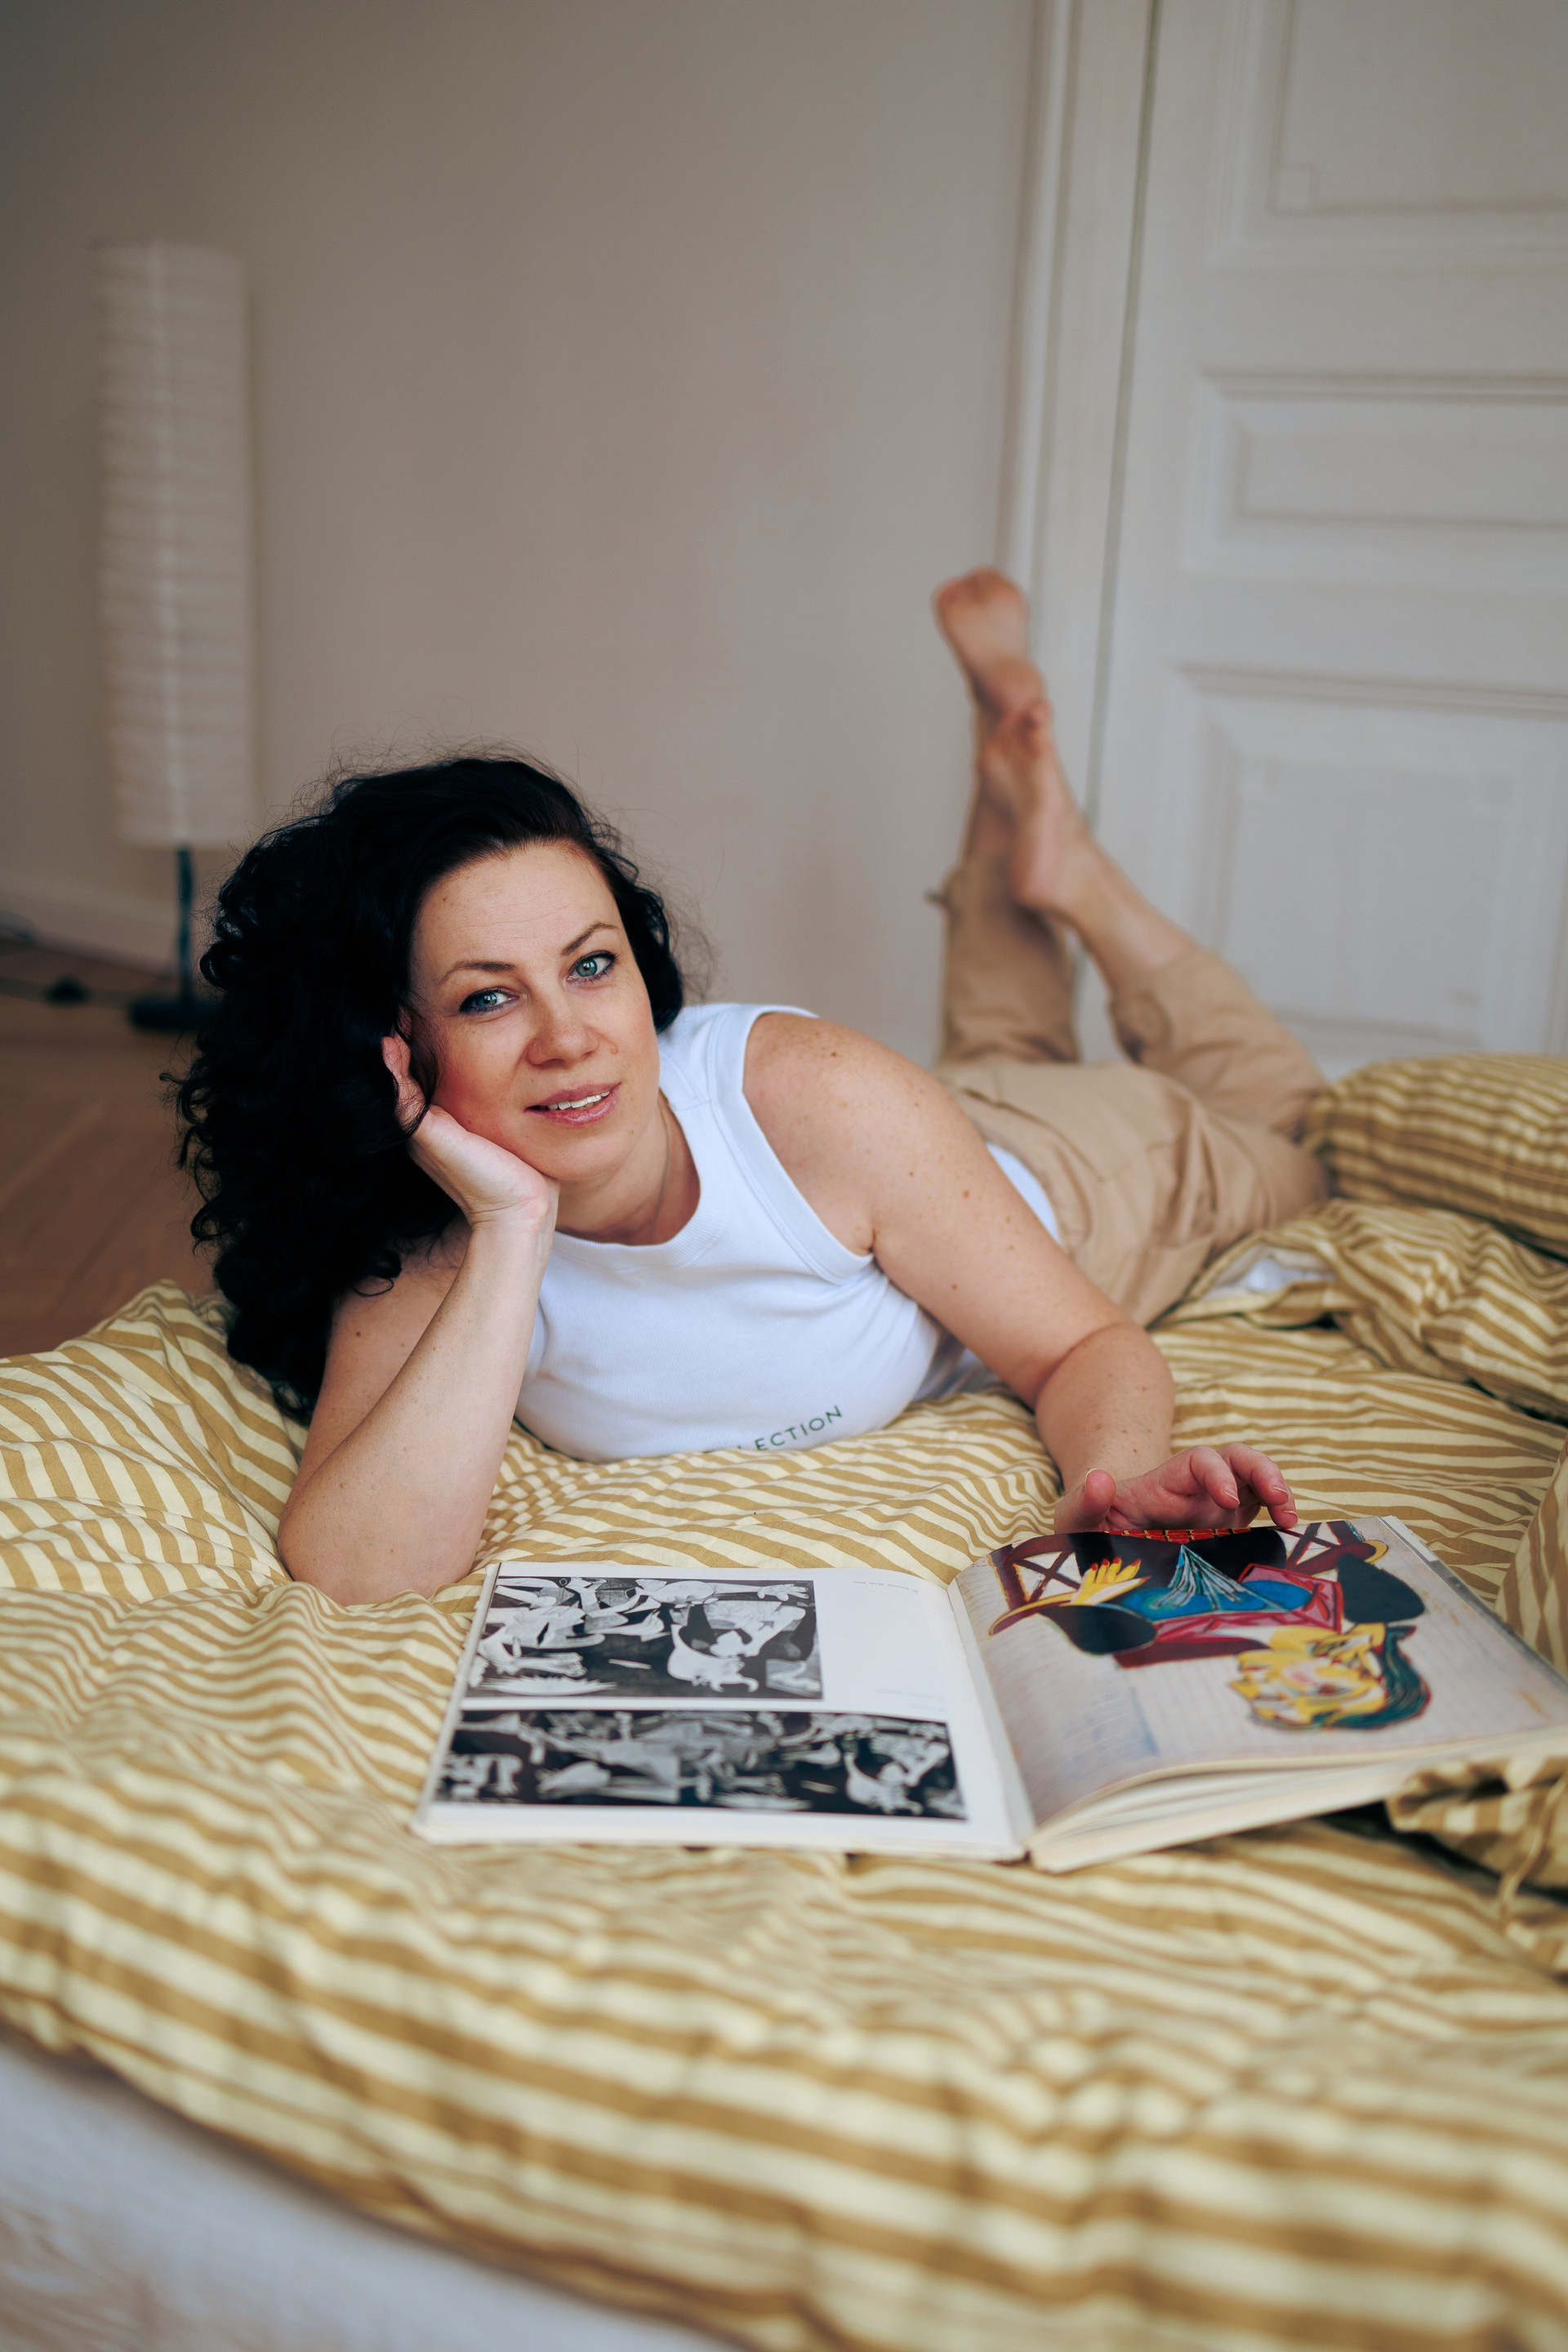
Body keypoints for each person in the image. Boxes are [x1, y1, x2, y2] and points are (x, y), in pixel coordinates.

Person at [178, 572, 1319, 1607]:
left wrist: (1111, 1485)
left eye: (592, 966)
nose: (569, 1039)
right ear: (389, 1047)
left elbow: (1082, 1347)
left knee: (1298, 1129)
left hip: (1082, 1175)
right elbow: (361, 1567)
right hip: (914, 1159)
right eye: (488, 998)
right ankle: (1022, 830)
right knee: (997, 1050)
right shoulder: (431, 1244)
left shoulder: (816, 1099)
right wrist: (514, 1226)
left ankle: (1082, 883)